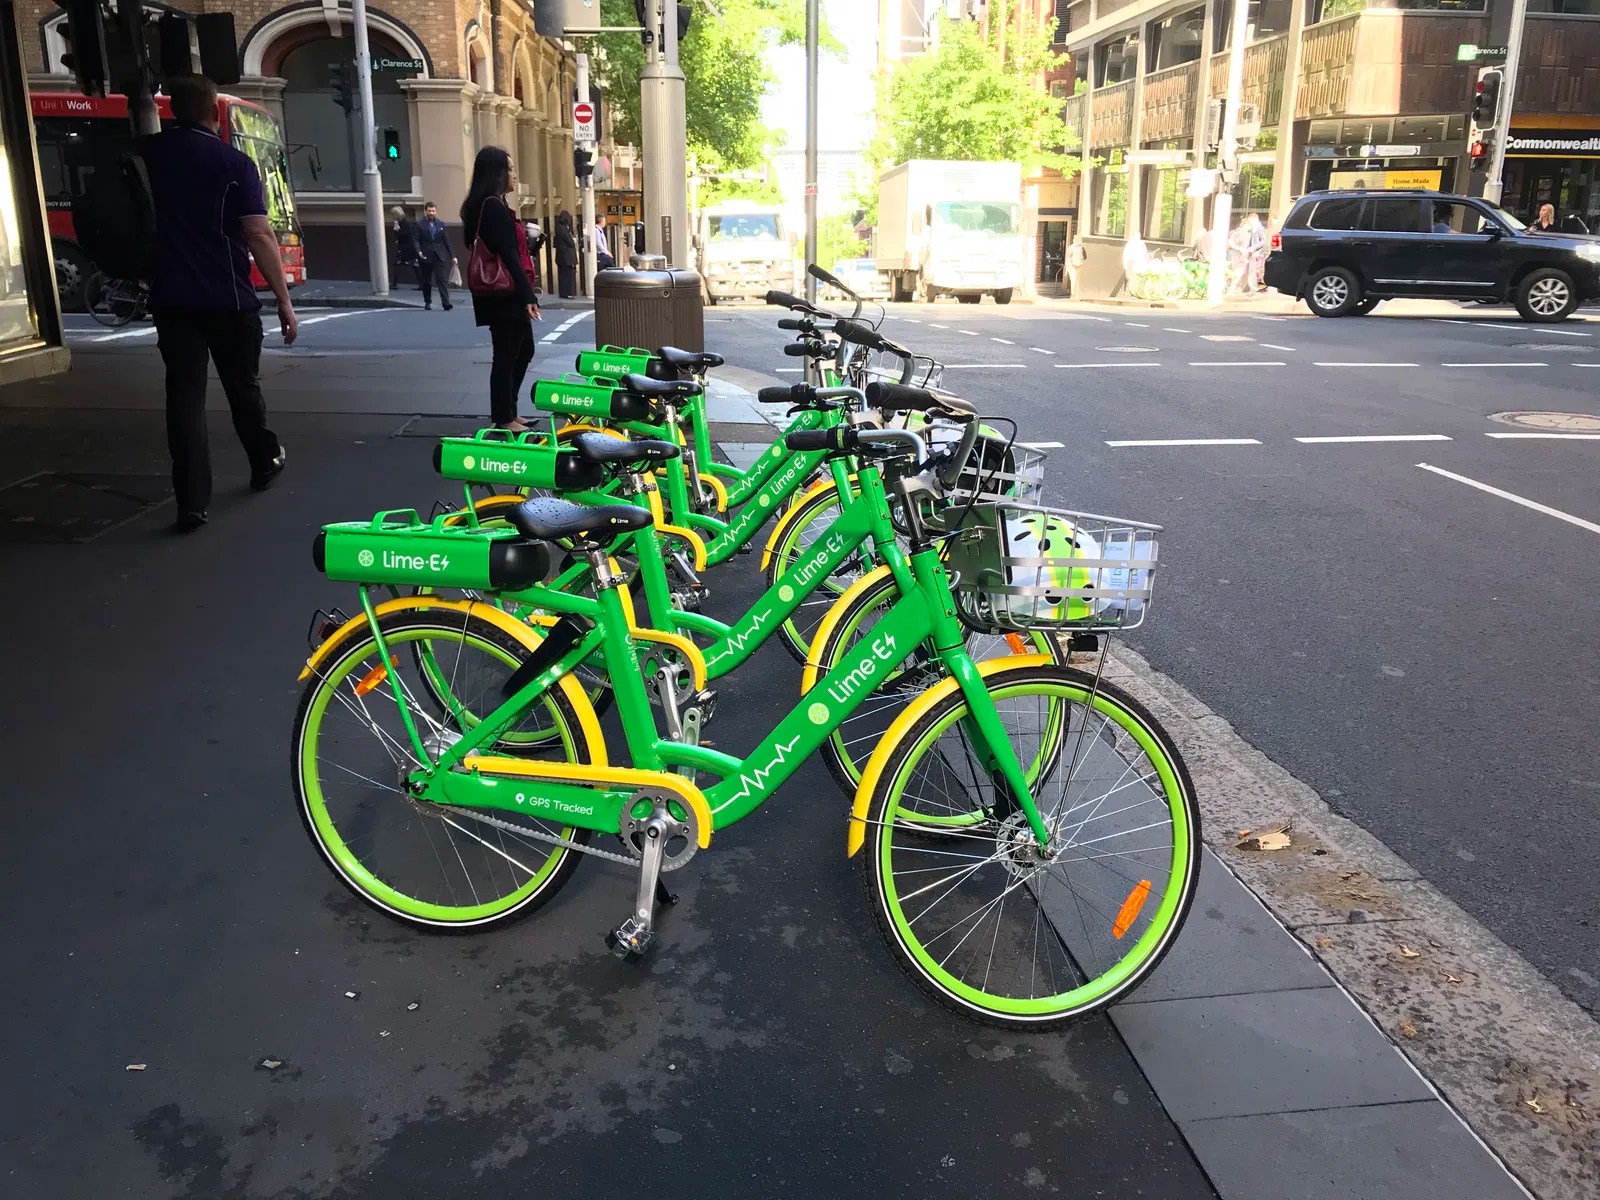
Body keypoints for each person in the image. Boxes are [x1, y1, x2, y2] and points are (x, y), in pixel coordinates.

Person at [140, 74, 294, 533]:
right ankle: (263, 460)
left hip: (171, 296)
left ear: (172, 111)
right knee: (242, 386)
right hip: (228, 296)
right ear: (213, 112)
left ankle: (191, 501)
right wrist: (284, 301)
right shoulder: (233, 163)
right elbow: (258, 233)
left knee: (184, 397)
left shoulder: (147, 155)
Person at [462, 146, 541, 432]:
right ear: (496, 173)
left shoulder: (489, 204)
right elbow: (507, 255)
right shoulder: (492, 207)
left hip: (504, 292)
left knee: (522, 350)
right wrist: (527, 294)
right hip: (504, 292)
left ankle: (509, 411)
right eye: (509, 169)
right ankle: (504, 417)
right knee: (508, 354)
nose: (514, 174)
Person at [415, 201, 456, 309]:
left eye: (433, 211)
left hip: (440, 255)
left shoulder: (441, 224)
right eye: (429, 211)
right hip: (426, 255)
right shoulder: (420, 224)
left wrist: (453, 255)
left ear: (436, 211)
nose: (431, 213)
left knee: (442, 279)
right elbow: (416, 240)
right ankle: (427, 302)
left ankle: (446, 303)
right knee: (426, 281)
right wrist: (419, 251)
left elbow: (446, 240)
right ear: (426, 211)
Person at [390, 205, 422, 289]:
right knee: (414, 265)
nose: (393, 216)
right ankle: (422, 284)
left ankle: (394, 283)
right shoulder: (401, 222)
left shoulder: (403, 222)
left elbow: (404, 234)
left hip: (405, 248)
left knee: (398, 264)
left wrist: (397, 230)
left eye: (394, 214)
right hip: (407, 247)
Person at [554, 211, 578, 298]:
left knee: (562, 275)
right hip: (566, 257)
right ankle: (567, 293)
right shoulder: (563, 229)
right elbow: (570, 242)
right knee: (567, 275)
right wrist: (573, 240)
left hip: (560, 256)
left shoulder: (558, 228)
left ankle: (563, 293)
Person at [1246, 213, 1267, 291]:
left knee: (1257, 271)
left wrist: (1255, 249)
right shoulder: (1255, 228)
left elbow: (1264, 241)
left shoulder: (1259, 228)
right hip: (1255, 252)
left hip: (1258, 253)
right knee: (1255, 270)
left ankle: (1259, 287)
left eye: (1250, 220)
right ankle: (1254, 287)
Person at [1066, 234, 1087, 298]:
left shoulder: (1072, 248)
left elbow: (1068, 258)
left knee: (1075, 281)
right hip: (1076, 266)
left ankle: (1074, 295)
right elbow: (1085, 257)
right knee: (1075, 281)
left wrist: (1067, 267)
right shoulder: (1080, 248)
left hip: (1075, 266)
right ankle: (1074, 295)